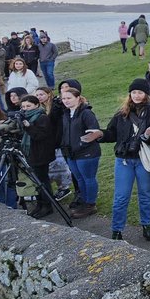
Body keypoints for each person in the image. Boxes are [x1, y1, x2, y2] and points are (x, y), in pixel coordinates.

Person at [99, 79, 150, 240]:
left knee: (146, 194)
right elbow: (111, 133)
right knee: (121, 196)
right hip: (124, 160)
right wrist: (99, 135)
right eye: (133, 92)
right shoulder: (122, 113)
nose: (136, 95)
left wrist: (149, 136)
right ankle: (116, 230)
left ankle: (146, 226)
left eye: (140, 92)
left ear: (146, 95)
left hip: (143, 159)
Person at [59, 81, 102, 219]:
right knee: (79, 178)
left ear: (77, 98)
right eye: (64, 98)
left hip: (86, 153)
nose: (66, 101)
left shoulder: (86, 113)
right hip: (71, 153)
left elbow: (93, 133)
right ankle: (84, 200)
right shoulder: (66, 113)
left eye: (69, 98)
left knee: (88, 178)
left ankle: (90, 204)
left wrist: (80, 145)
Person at [15, 94, 56, 219]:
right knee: (35, 181)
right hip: (31, 154)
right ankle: (40, 203)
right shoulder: (24, 116)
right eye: (23, 106)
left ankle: (47, 205)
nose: (26, 108)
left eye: (29, 106)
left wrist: (28, 126)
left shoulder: (42, 117)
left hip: (41, 154)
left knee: (42, 181)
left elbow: (40, 136)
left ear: (37, 105)